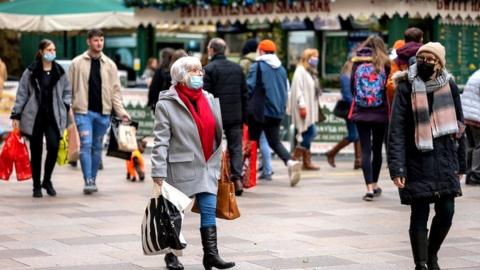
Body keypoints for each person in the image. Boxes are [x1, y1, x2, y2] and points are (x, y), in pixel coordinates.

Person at [388, 42, 466, 270]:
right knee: (419, 212)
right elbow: (397, 130)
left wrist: (461, 163)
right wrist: (397, 168)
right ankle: (421, 263)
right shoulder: (405, 87)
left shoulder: (449, 85)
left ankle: (432, 255)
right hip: (416, 160)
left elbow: (459, 128)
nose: (424, 63)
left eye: (430, 60)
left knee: (447, 211)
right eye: (421, 58)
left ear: (439, 63)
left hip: (444, 159)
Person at [151, 56, 235, 270]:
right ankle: (171, 255)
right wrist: (158, 171)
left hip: (207, 163)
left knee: (208, 209)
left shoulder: (208, 98)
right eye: (194, 71)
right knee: (174, 213)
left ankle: (211, 255)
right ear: (181, 76)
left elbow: (216, 131)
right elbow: (160, 141)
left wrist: (221, 153)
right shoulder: (166, 105)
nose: (200, 75)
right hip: (181, 165)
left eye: (200, 70)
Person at [69, 29, 130, 195]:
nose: (99, 43)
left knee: (97, 147)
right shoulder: (77, 63)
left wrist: (121, 111)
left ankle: (93, 179)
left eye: (101, 40)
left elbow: (116, 91)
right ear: (89, 41)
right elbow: (69, 89)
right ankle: (87, 179)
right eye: (96, 40)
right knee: (86, 144)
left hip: (104, 113)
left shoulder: (110, 65)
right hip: (83, 112)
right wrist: (68, 109)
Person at [10, 39, 71, 198]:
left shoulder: (59, 71)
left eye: (54, 49)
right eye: (49, 50)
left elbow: (67, 91)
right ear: (41, 52)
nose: (53, 52)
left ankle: (47, 180)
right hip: (34, 117)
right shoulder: (30, 71)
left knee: (53, 146)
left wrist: (65, 105)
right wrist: (16, 114)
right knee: (35, 152)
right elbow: (22, 94)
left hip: (53, 116)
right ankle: (36, 185)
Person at [247, 39, 302, 187]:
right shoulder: (282, 68)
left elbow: (249, 87)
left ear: (262, 51)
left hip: (259, 111)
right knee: (274, 141)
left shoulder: (257, 66)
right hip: (277, 111)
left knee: (251, 142)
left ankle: (246, 174)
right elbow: (286, 89)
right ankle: (290, 162)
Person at [204, 38, 247, 196]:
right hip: (235, 115)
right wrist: (244, 116)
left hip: (216, 115)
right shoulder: (237, 68)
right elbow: (244, 94)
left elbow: (205, 96)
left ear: (212, 50)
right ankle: (237, 179)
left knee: (215, 147)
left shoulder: (209, 69)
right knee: (236, 148)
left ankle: (215, 179)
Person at [349, 36, 390, 201]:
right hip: (380, 112)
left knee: (365, 149)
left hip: (361, 111)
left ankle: (368, 189)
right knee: (377, 149)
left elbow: (353, 87)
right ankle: (375, 184)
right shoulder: (385, 63)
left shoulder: (357, 61)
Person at [325, 59, 361, 169]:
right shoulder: (345, 77)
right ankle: (331, 152)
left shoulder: (350, 76)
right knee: (353, 135)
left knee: (357, 134)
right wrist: (354, 106)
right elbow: (347, 95)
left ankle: (358, 161)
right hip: (349, 109)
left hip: (352, 108)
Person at [289, 48, 321, 170]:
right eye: (314, 56)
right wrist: (302, 106)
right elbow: (298, 91)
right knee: (312, 132)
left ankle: (306, 162)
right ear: (307, 58)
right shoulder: (300, 71)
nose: (316, 59)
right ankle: (295, 158)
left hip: (309, 107)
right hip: (303, 108)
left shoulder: (310, 71)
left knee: (308, 132)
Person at [387, 27, 424, 107]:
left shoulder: (397, 59)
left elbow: (390, 85)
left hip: (403, 101)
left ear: (405, 40)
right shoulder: (427, 55)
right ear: (421, 40)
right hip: (423, 99)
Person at [462, 69, 480, 185]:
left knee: (472, 145)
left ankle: (469, 174)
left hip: (467, 114)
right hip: (475, 114)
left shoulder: (477, 73)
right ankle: (477, 175)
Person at [148, 48, 174, 113]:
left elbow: (153, 88)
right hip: (171, 104)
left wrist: (151, 102)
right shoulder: (173, 71)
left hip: (159, 103)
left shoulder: (159, 70)